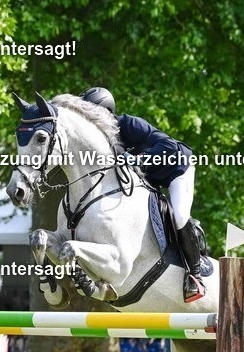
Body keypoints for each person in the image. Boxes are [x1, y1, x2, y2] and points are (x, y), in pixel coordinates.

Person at [80, 86, 205, 303]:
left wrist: (138, 159)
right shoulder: (104, 144)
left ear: (105, 112)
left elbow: (168, 145)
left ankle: (195, 274)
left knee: (179, 216)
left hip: (178, 169)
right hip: (153, 180)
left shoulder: (129, 124)